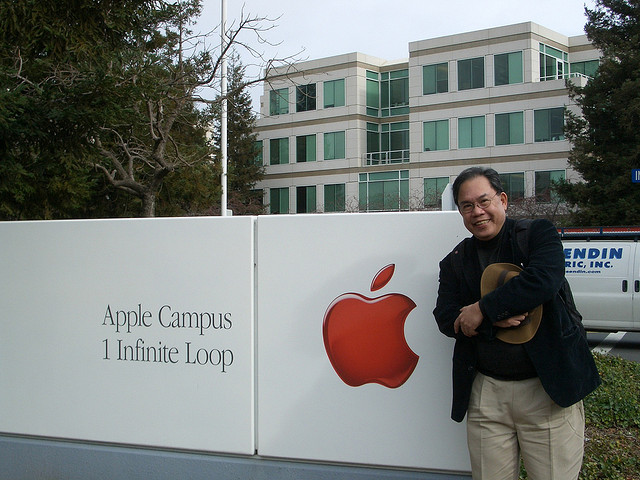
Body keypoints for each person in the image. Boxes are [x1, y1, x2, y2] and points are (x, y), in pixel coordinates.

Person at [433, 166, 600, 480]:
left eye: (484, 201)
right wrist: (492, 321)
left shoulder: (537, 234)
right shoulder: (455, 260)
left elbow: (543, 280)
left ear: (503, 200)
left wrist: (483, 309)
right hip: (487, 395)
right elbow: (445, 317)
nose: (477, 212)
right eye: (467, 206)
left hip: (546, 391)